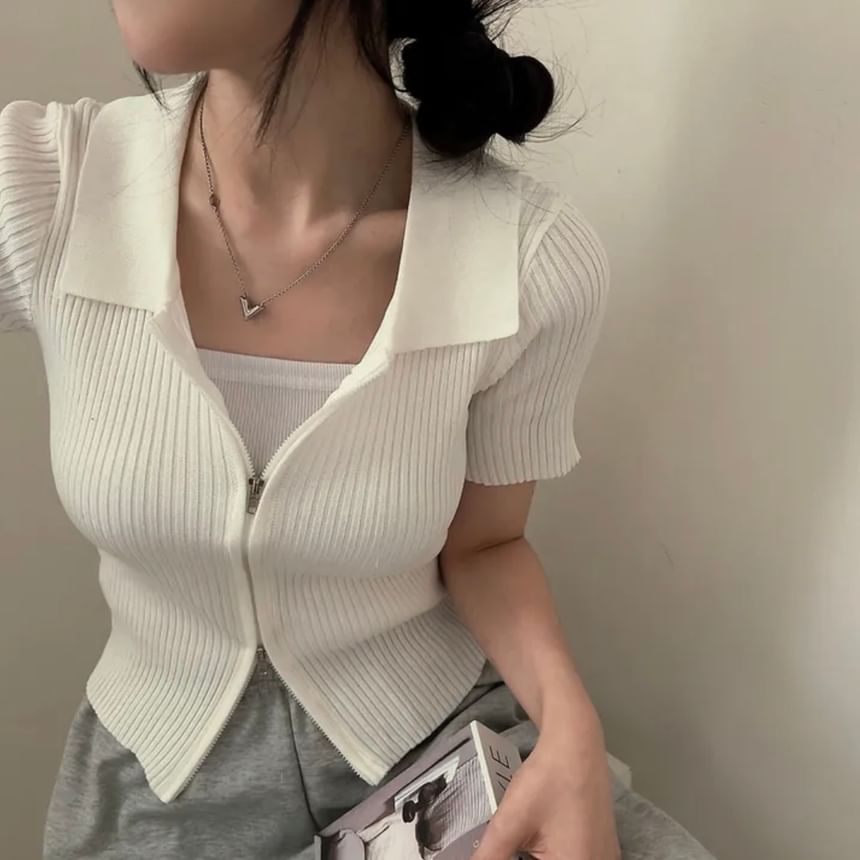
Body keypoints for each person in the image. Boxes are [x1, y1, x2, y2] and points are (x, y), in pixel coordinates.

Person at [0, 1, 717, 858]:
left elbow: (485, 545)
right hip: (155, 797)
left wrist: (570, 729)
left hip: (439, 770)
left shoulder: (526, 257)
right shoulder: (46, 184)